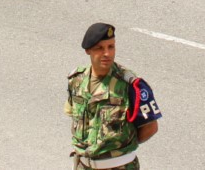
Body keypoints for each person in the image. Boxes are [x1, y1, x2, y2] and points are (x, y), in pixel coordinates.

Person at [66, 23, 160, 170]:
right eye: (99, 48)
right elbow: (74, 116)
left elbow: (150, 128)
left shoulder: (131, 85)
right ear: (88, 50)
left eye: (111, 47)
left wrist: (120, 151)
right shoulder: (76, 81)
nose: (107, 53)